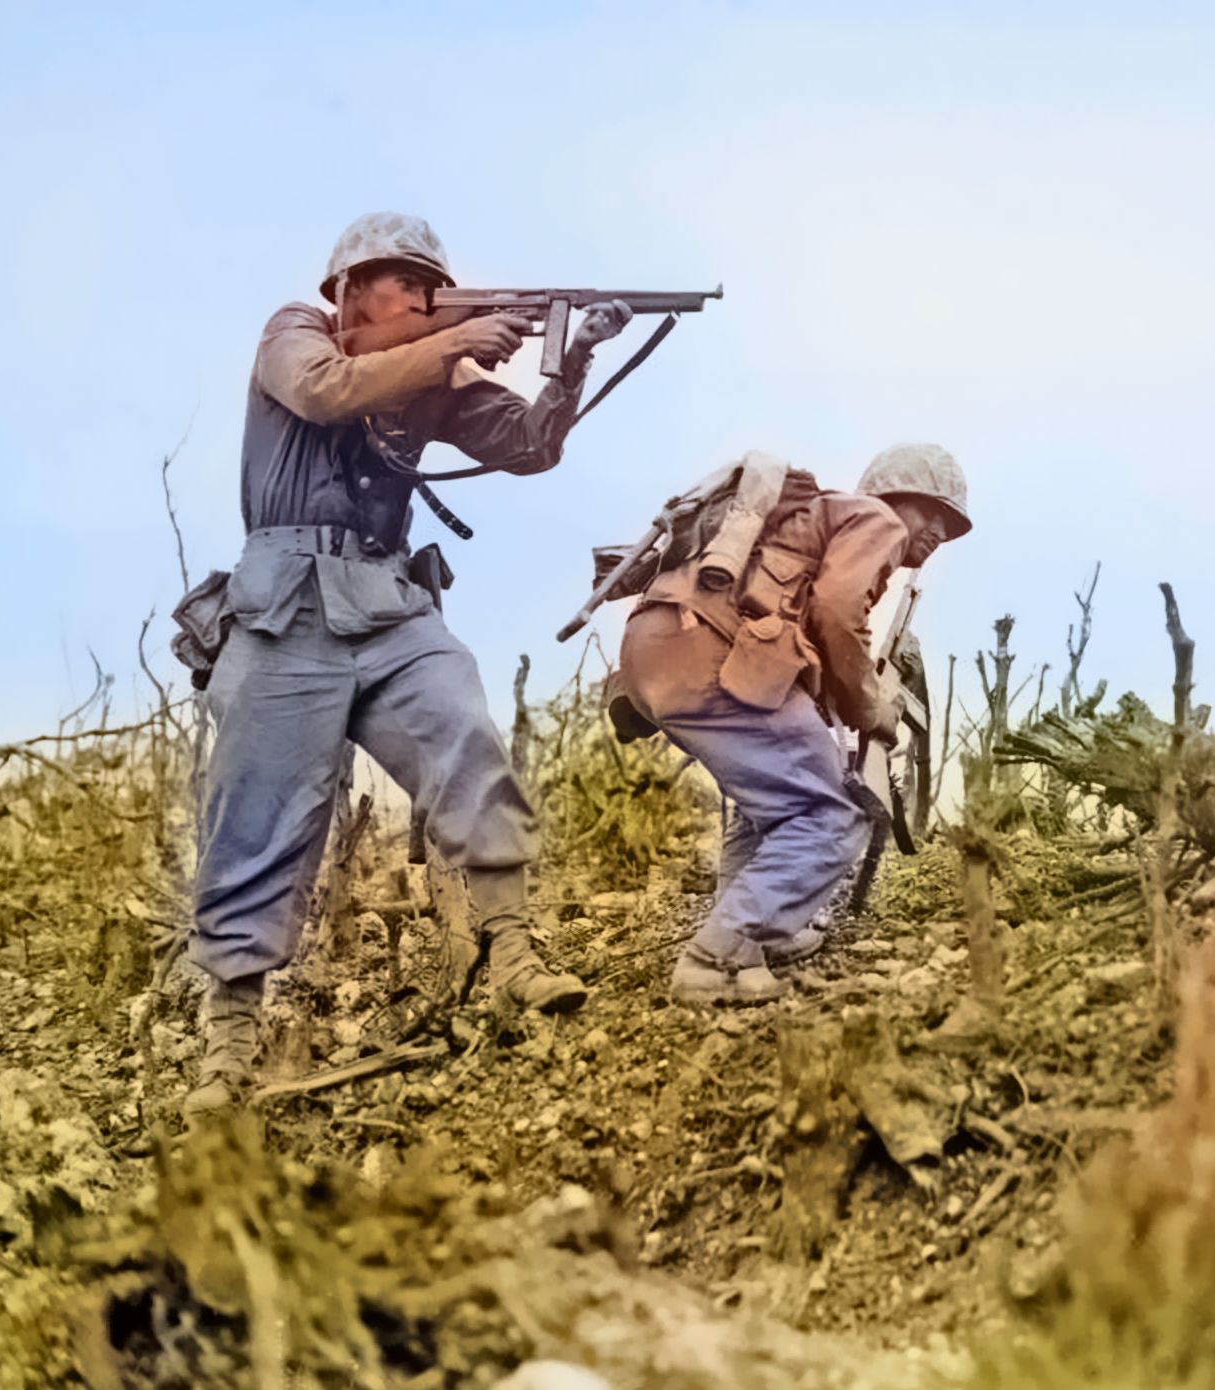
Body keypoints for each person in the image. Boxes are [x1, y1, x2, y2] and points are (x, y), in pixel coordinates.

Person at [181, 212, 632, 1121]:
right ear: (349, 291)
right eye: (405, 283)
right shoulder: (296, 334)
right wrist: (456, 341)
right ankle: (227, 1050)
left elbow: (527, 446)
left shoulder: (435, 370)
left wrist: (571, 356)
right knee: (255, 815)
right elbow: (321, 390)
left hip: (388, 605)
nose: (426, 298)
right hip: (284, 614)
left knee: (466, 738)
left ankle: (512, 955)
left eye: (434, 283)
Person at [616, 444, 972, 1005]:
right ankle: (719, 957)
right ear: (898, 497)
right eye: (934, 513)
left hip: (655, 650)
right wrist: (870, 705)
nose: (938, 533)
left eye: (950, 526)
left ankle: (749, 944)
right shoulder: (875, 519)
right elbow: (836, 610)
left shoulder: (815, 524)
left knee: (775, 807)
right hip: (708, 650)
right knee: (832, 811)